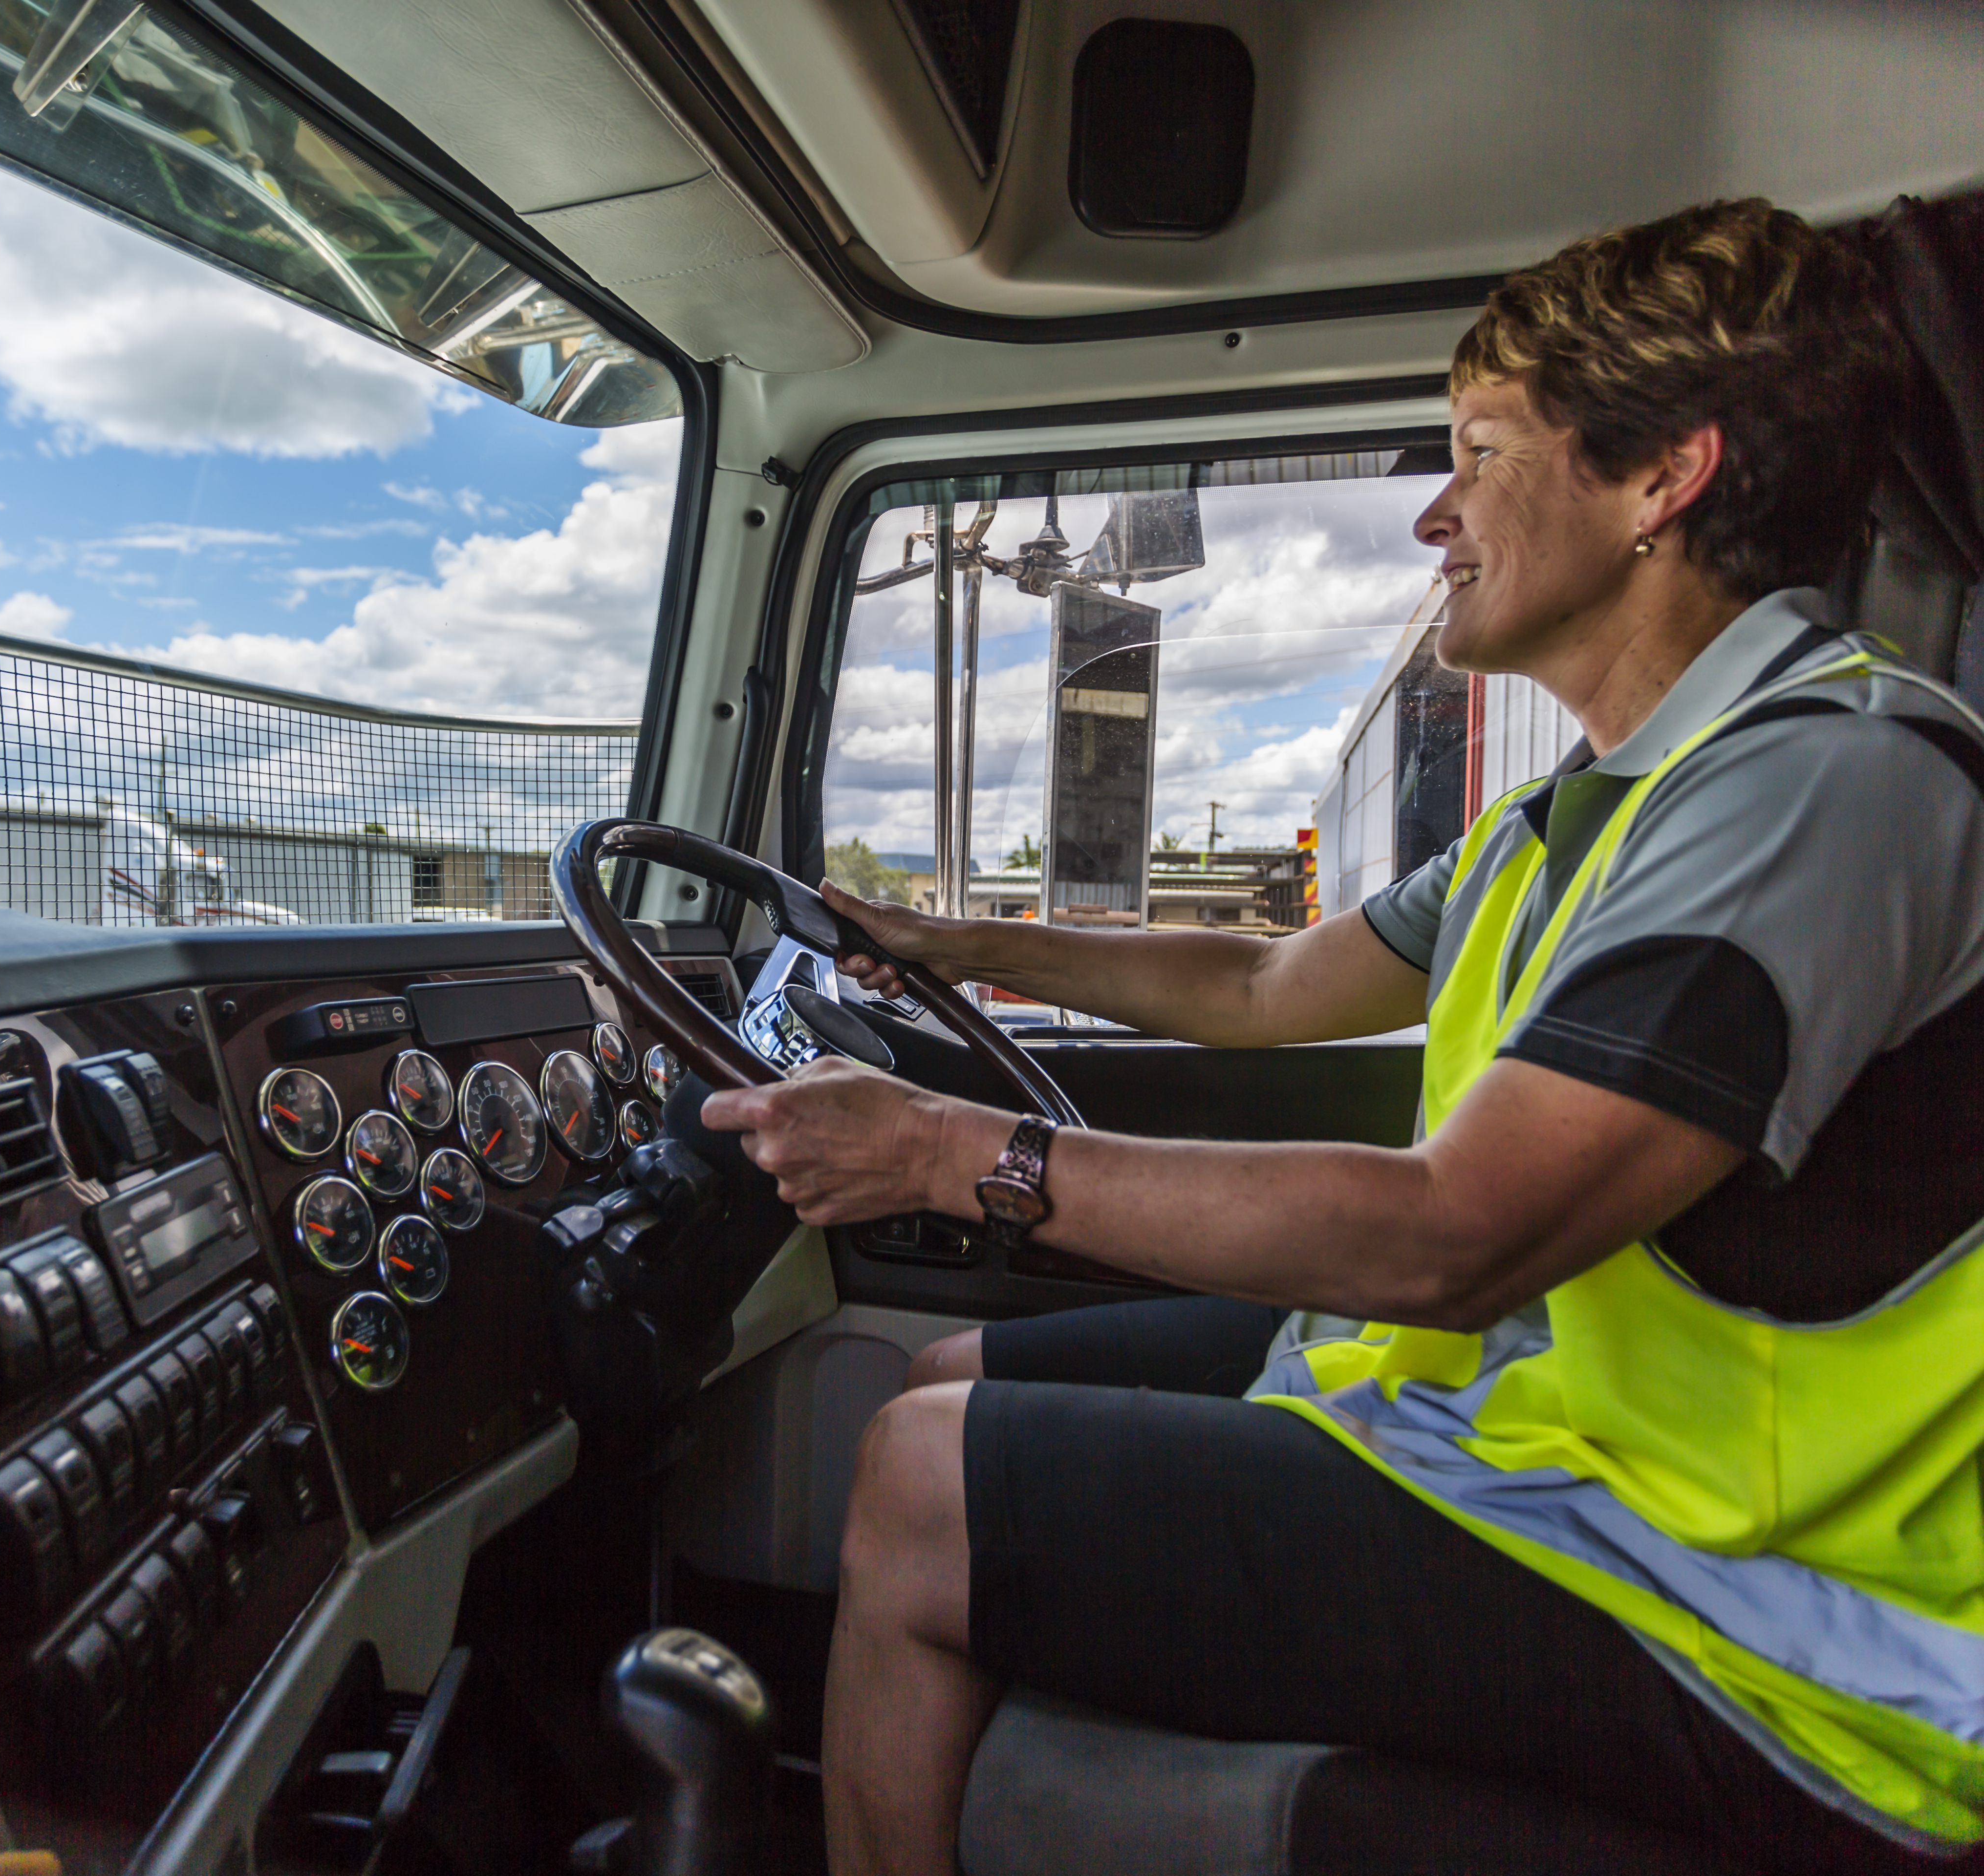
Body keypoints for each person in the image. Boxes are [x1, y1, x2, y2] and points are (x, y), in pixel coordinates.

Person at [702, 198, 1984, 1876]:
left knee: (923, 1482)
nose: (1432, 520)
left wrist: (953, 1154)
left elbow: (1455, 1234)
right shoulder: (1581, 810)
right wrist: (944, 937)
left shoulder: (1815, 786)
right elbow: (1262, 986)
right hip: (1555, 1447)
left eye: (1480, 455)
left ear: (1663, 479)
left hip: (1758, 1601)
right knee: (945, 1384)